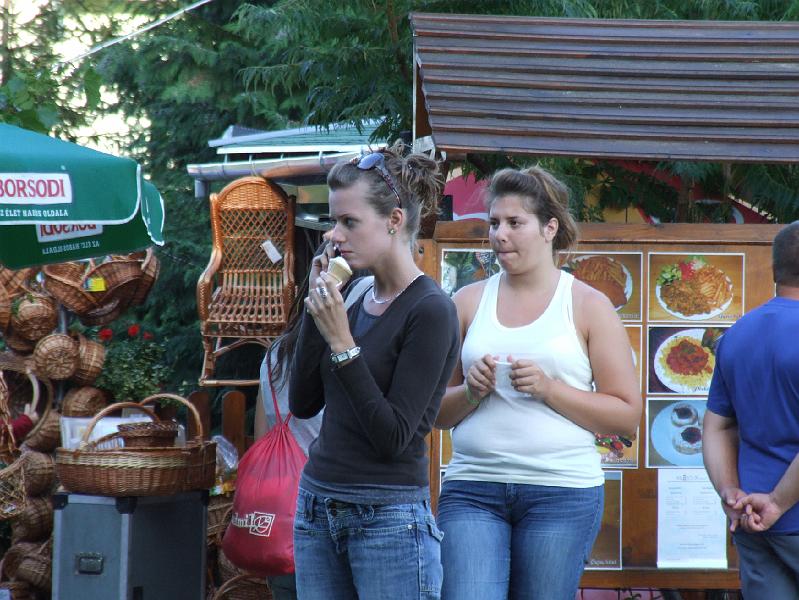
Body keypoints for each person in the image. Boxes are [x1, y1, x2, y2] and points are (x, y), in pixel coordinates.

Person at [435, 166, 641, 600]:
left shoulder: (589, 304)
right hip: (473, 488)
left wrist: (549, 389)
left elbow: (626, 417)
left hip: (561, 492)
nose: (500, 235)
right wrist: (471, 391)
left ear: (550, 228)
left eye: (515, 222)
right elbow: (434, 412)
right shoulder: (466, 302)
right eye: (494, 223)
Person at [289, 142, 459, 600]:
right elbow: (302, 403)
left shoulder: (431, 310)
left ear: (394, 220)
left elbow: (393, 437)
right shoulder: (354, 292)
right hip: (317, 506)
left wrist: (343, 344)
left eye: (349, 222)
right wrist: (316, 309)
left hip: (387, 520)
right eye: (333, 221)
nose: (333, 236)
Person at [254, 253, 372, 600]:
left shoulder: (275, 354)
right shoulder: (347, 357)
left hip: (280, 514)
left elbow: (262, 437)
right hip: (333, 507)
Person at [704, 221, 799, 599]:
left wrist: (730, 492)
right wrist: (777, 502)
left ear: (775, 270)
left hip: (752, 519)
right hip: (775, 508)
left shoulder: (736, 334)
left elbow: (717, 427)